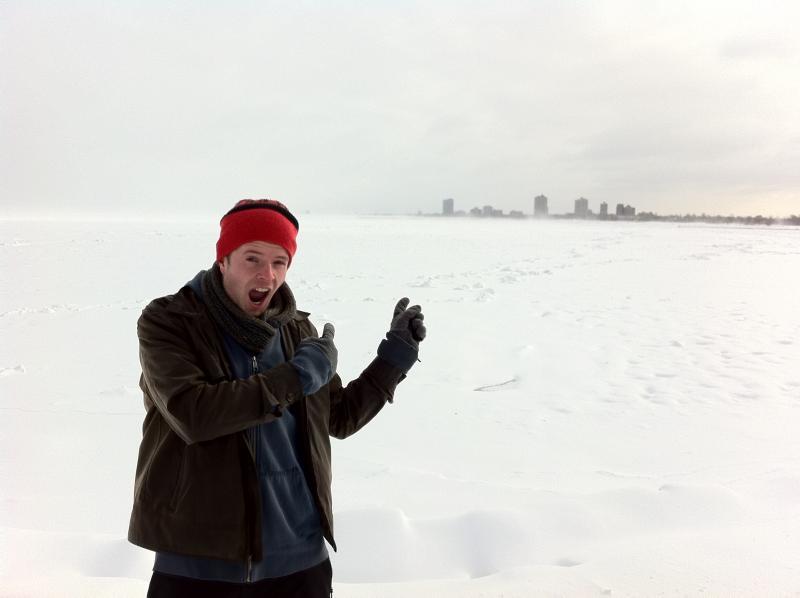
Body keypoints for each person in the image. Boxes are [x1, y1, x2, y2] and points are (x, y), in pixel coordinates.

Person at [128, 199, 426, 597]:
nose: (267, 274)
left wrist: (393, 359)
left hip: (300, 561)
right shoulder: (170, 321)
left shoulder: (297, 331)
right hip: (197, 562)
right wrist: (296, 375)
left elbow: (338, 418)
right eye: (252, 258)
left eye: (279, 262)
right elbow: (193, 414)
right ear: (224, 259)